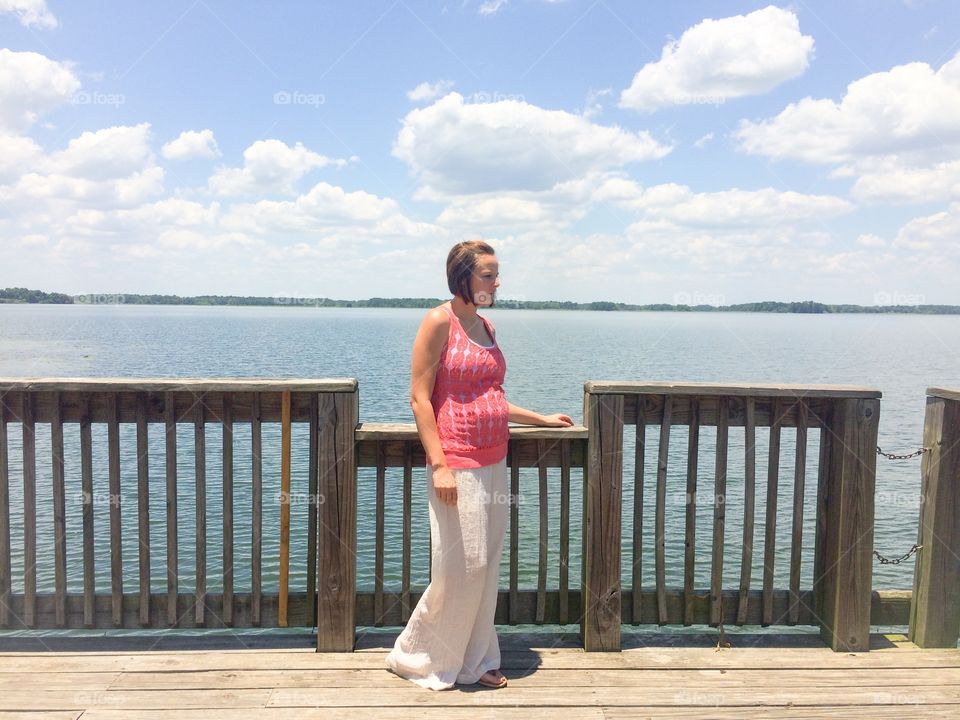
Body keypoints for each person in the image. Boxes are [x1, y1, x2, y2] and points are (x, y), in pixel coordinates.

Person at [385, 240, 574, 691]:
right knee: (460, 567)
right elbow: (419, 398)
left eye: (496, 274)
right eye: (488, 274)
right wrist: (439, 465)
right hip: (458, 461)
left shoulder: (486, 325)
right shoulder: (438, 322)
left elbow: (492, 397)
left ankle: (476, 660)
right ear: (463, 277)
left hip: (494, 459)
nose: (496, 281)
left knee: (485, 565)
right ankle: (416, 654)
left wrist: (542, 418)